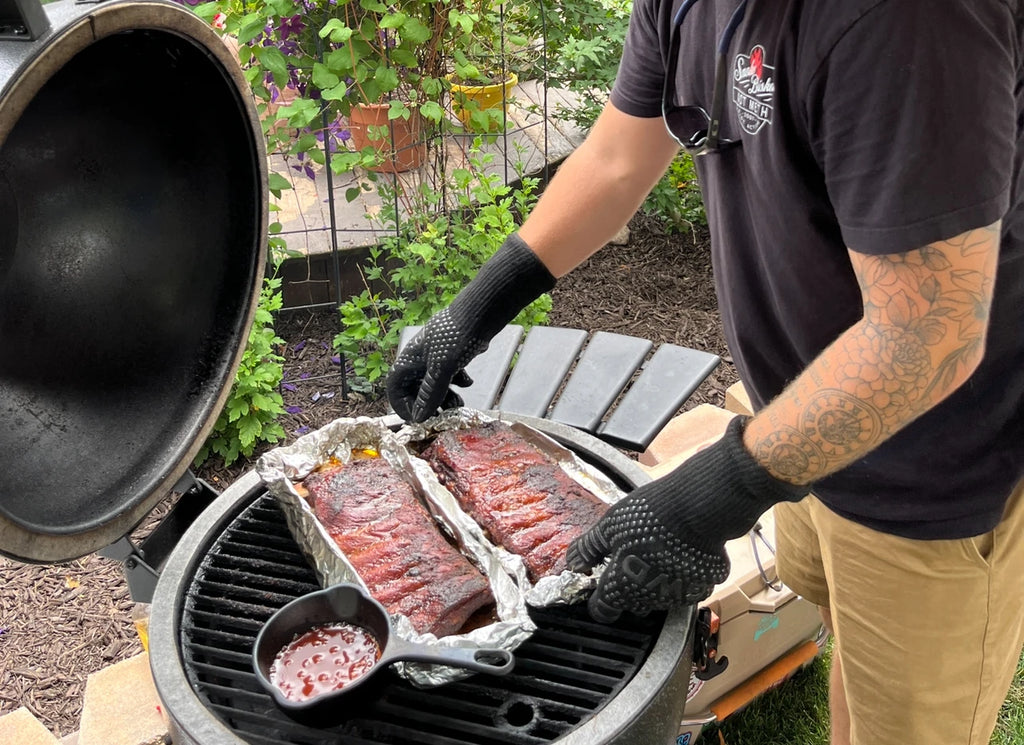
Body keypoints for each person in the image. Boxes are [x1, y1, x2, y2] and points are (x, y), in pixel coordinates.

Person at [386, 1, 1024, 742]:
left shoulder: (910, 22)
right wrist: (480, 304)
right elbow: (619, 156)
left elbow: (928, 335)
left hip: (927, 460)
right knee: (858, 635)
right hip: (801, 416)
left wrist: (720, 492)